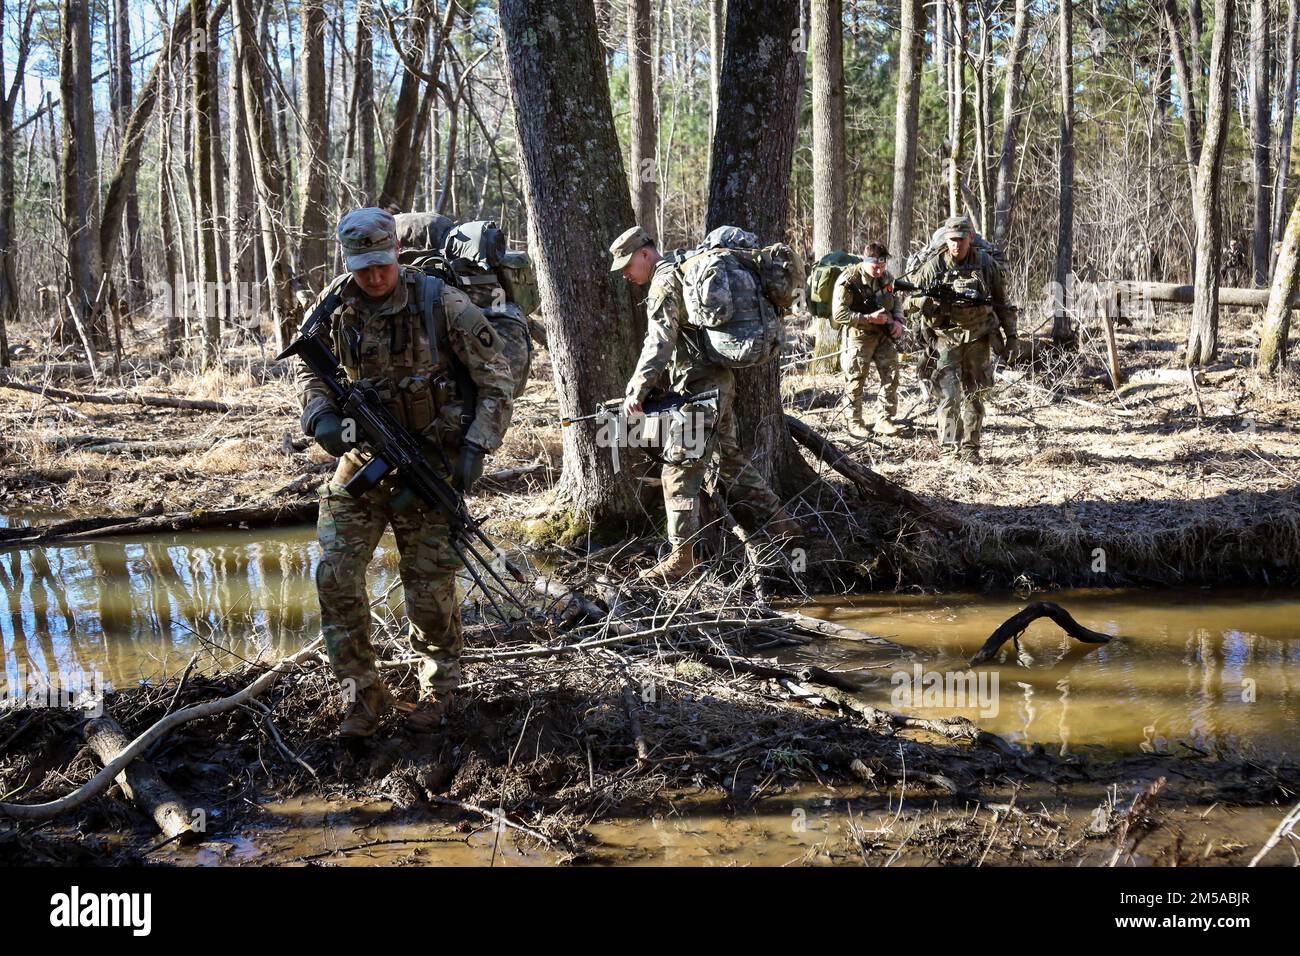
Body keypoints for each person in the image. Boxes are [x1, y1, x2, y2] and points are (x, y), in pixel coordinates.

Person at [295, 207, 515, 738]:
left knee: (429, 589)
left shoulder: (444, 304)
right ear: (349, 261)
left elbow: (497, 378)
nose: (372, 277)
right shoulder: (334, 307)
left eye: (381, 264)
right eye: (362, 267)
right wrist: (319, 414)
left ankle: (437, 694)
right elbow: (313, 370)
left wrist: (477, 446)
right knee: (335, 577)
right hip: (363, 463)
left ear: (396, 252)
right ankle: (361, 697)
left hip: (428, 466)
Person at [609, 225, 802, 584]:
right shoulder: (684, 270)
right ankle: (784, 526)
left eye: (627, 264)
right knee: (730, 462)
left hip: (700, 394)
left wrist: (636, 390)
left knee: (679, 469)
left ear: (645, 254)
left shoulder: (665, 281)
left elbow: (659, 343)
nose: (625, 273)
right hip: (716, 386)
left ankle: (682, 557)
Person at [906, 215, 1015, 463]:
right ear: (946, 239)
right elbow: (908, 302)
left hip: (978, 337)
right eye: (952, 240)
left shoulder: (986, 264)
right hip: (946, 338)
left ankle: (970, 448)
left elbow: (1002, 303)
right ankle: (948, 448)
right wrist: (924, 301)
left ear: (971, 239)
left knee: (975, 394)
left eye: (961, 239)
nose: (956, 245)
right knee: (949, 396)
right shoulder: (934, 266)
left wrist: (1011, 336)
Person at [830, 241, 905, 439]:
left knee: (891, 376)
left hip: (883, 334)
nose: (879, 270)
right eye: (875, 266)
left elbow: (896, 301)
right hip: (859, 335)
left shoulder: (886, 277)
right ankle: (854, 423)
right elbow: (838, 313)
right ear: (865, 261)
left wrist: (898, 320)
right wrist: (867, 319)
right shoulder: (849, 279)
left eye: (882, 265)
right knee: (856, 379)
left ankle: (885, 420)